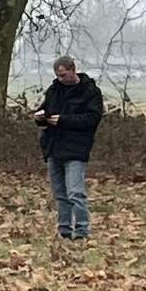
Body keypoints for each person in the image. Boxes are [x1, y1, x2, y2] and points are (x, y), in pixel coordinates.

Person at [34, 54, 104, 242]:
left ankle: (82, 231)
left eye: (63, 75)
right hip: (54, 148)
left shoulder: (90, 92)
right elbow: (44, 110)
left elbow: (92, 119)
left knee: (75, 193)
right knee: (60, 194)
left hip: (76, 149)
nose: (60, 78)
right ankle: (64, 230)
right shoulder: (54, 90)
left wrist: (64, 121)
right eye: (58, 75)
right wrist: (39, 117)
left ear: (73, 70)